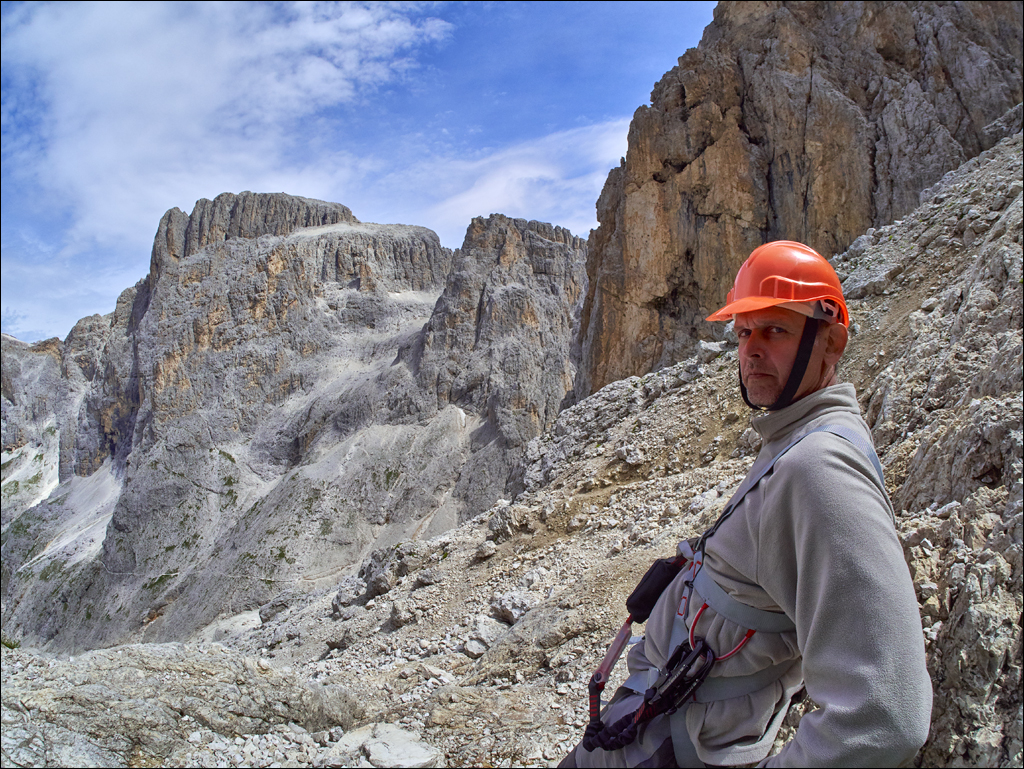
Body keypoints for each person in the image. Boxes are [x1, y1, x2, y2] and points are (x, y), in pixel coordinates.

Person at [562, 241, 932, 767]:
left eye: (775, 330)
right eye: (743, 332)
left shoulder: (820, 469)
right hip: (648, 730)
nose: (751, 349)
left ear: (831, 343)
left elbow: (886, 715)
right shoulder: (792, 437)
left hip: (671, 748)